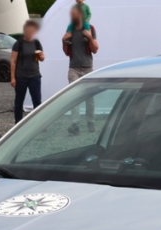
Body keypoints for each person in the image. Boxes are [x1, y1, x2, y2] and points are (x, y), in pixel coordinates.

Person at [62, 5, 98, 135]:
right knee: (74, 96)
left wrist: (89, 37)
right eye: (72, 14)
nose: (72, 16)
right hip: (74, 68)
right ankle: (75, 124)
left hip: (87, 67)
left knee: (89, 97)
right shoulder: (70, 31)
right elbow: (66, 52)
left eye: (75, 14)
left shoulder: (90, 29)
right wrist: (63, 41)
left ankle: (90, 121)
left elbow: (95, 49)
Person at [11, 20, 44, 124]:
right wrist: (13, 78)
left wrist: (42, 57)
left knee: (37, 101)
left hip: (34, 76)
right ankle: (18, 122)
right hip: (21, 76)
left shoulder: (36, 43)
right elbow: (13, 61)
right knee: (19, 101)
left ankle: (38, 122)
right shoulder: (19, 43)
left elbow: (42, 58)